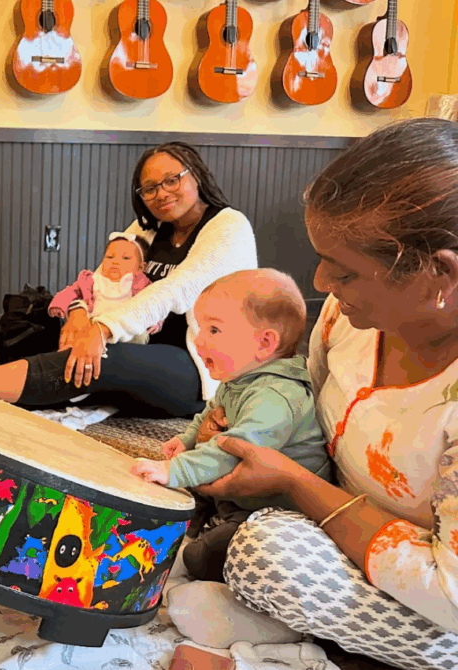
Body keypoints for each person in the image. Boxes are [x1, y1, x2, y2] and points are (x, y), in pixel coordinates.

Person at [181, 118, 458, 669]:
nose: (321, 285)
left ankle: (298, 649)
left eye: (346, 272)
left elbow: (448, 592)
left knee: (265, 556)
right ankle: (292, 635)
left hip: (437, 596)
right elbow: (285, 391)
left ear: (439, 275)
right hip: (331, 524)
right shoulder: (348, 319)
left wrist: (292, 480)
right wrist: (229, 418)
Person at [0, 142, 258, 420]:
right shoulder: (147, 229)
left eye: (172, 179)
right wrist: (78, 313)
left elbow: (177, 289)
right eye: (149, 188)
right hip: (139, 345)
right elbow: (99, 279)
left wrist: (102, 329)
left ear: (197, 175)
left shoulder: (230, 227)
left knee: (98, 357)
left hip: (197, 364)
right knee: (45, 329)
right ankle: (7, 392)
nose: (161, 193)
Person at [130, 269, 331, 582]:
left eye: (214, 330)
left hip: (275, 511)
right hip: (240, 495)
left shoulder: (276, 397)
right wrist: (188, 438)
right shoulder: (241, 378)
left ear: (264, 343)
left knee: (223, 546)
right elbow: (212, 412)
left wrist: (177, 469)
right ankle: (183, 533)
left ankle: (193, 565)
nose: (198, 340)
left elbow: (237, 450)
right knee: (178, 495)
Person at [47, 231, 163, 346]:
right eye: (110, 257)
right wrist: (59, 303)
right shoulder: (91, 280)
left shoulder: (141, 283)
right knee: (79, 332)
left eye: (126, 258)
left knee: (140, 333)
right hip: (95, 324)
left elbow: (154, 302)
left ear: (140, 267)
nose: (115, 262)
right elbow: (71, 291)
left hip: (127, 329)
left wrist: (155, 320)